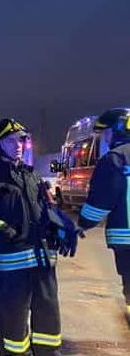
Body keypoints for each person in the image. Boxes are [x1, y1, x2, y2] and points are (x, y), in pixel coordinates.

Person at [0, 118, 77, 355]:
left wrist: (63, 227)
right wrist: (2, 232)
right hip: (13, 266)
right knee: (13, 323)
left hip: (43, 262)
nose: (18, 144)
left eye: (20, 140)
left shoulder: (33, 177)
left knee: (48, 320)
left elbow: (48, 208)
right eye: (10, 141)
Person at [77, 108, 130, 326]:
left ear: (116, 131)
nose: (104, 139)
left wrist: (81, 225)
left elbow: (99, 204)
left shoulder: (115, 159)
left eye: (105, 133)